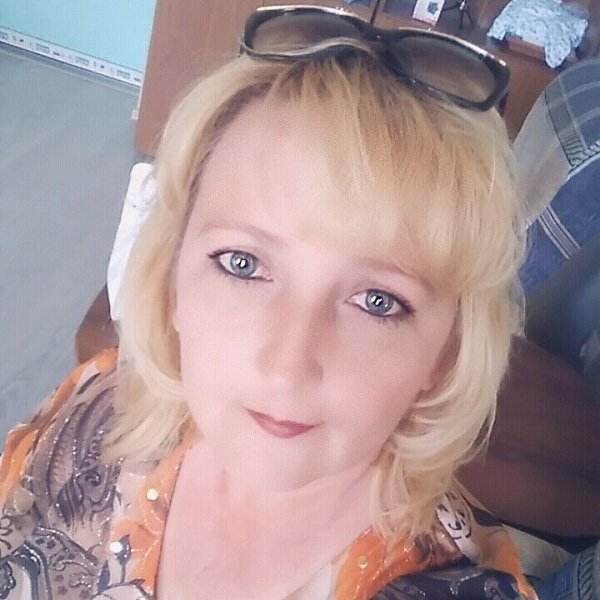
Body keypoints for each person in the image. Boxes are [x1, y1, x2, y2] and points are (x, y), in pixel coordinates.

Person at [0, 6, 543, 599]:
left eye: (377, 301)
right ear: (172, 274)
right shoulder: (97, 404)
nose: (287, 366)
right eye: (243, 263)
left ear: (446, 352)